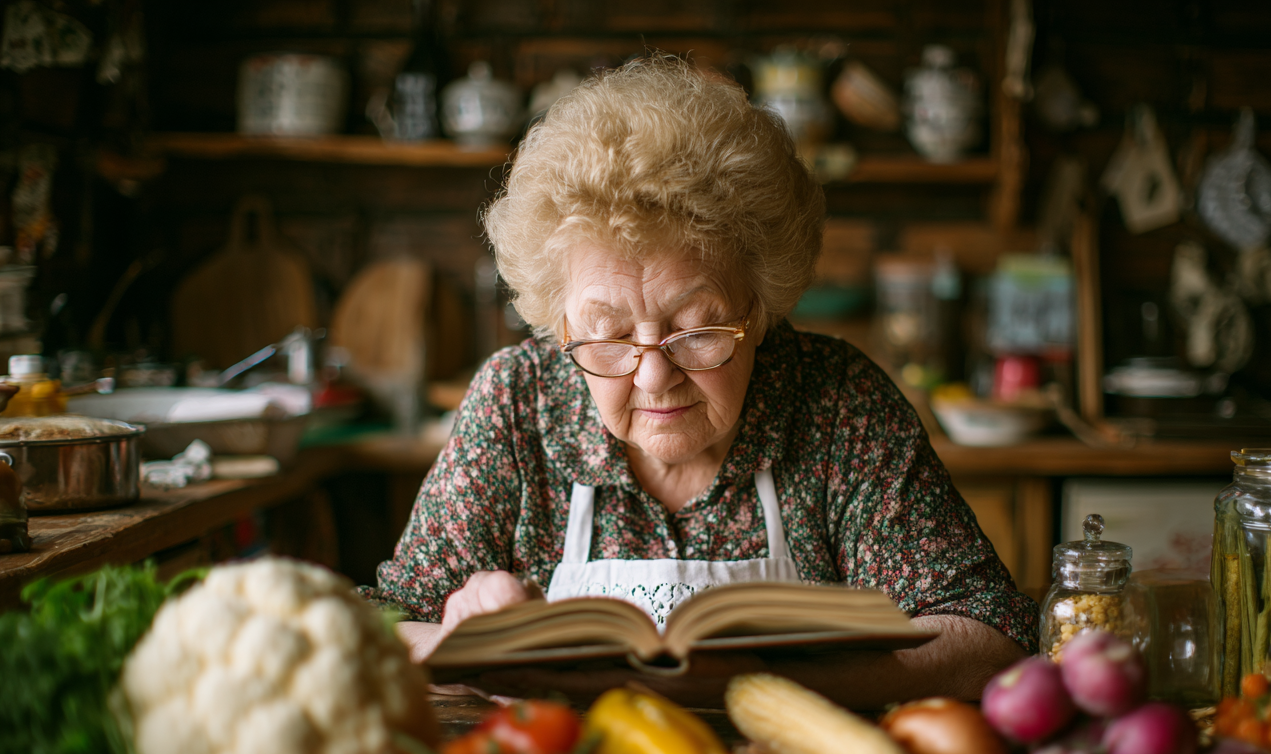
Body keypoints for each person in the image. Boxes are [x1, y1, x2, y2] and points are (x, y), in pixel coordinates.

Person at [374, 56, 1036, 709]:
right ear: (559, 319)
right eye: (607, 334)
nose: (655, 375)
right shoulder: (519, 401)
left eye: (697, 330)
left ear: (759, 307)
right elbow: (375, 629)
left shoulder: (836, 401)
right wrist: (456, 631)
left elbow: (990, 636)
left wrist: (751, 690)